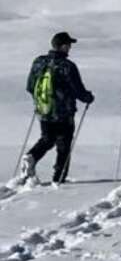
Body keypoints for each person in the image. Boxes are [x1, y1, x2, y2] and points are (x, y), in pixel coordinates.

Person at [21, 32, 95, 184]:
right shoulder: (68, 66)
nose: (70, 48)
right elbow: (78, 90)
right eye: (68, 45)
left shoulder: (39, 62)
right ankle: (59, 178)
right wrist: (88, 97)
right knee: (64, 145)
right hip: (64, 113)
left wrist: (41, 100)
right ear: (63, 46)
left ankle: (31, 156)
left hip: (43, 110)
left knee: (47, 139)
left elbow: (30, 86)